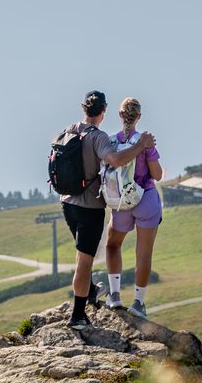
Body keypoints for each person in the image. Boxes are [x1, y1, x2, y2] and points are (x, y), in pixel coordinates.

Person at [55, 90, 154, 331]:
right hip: (90, 207)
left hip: (67, 202)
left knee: (82, 253)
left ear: (83, 108)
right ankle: (78, 315)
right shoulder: (98, 137)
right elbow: (116, 160)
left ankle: (89, 290)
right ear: (104, 111)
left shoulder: (68, 130)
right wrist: (140, 145)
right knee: (85, 260)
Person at [104, 97, 163, 318]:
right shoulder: (145, 142)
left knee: (112, 245)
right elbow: (156, 175)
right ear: (139, 116)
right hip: (145, 197)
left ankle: (115, 295)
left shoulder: (111, 142)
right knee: (144, 254)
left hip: (120, 203)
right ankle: (138, 303)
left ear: (120, 115)